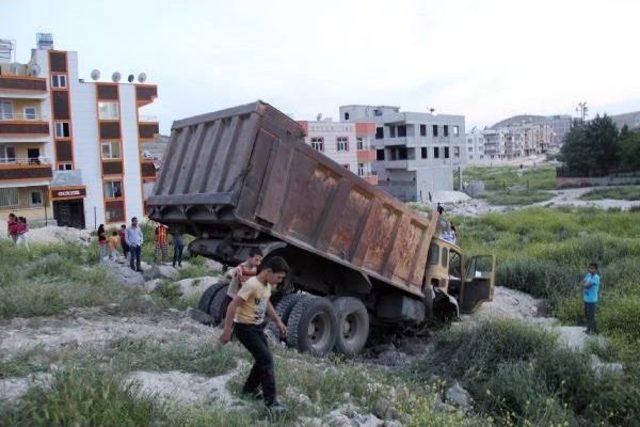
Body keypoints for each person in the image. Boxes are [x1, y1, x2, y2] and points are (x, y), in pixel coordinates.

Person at [219, 256, 289, 413]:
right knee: (266, 360)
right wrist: (227, 331)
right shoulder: (252, 284)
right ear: (268, 271)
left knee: (263, 359)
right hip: (244, 328)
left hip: (256, 328)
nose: (279, 281)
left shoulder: (266, 285)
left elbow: (266, 302)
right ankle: (271, 403)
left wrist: (278, 321)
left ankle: (248, 391)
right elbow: (232, 306)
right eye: (278, 277)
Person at [583, 263, 601, 334]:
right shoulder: (588, 275)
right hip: (586, 299)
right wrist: (586, 284)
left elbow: (587, 286)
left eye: (593, 268)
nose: (591, 269)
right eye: (590, 268)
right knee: (587, 314)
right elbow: (584, 282)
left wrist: (586, 284)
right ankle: (589, 329)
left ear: (596, 270)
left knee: (591, 315)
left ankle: (592, 330)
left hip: (592, 300)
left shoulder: (596, 277)